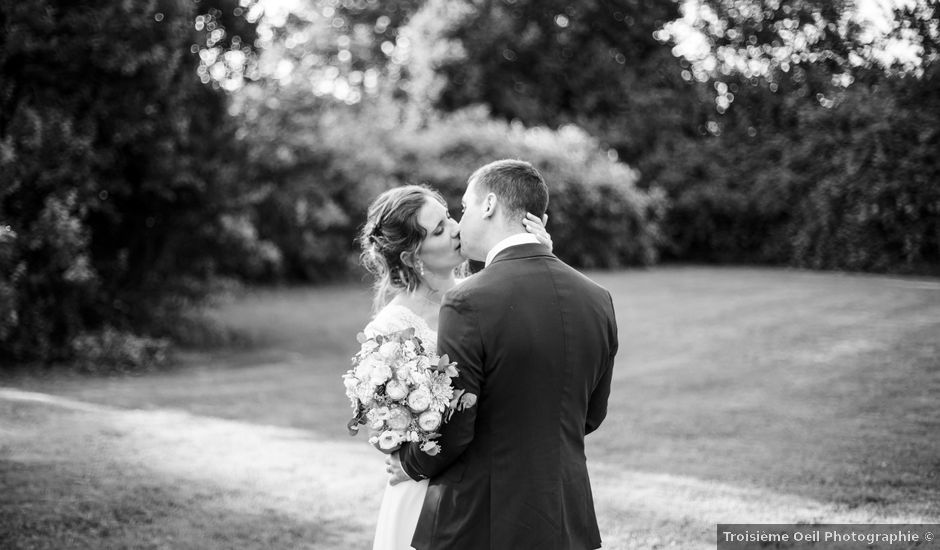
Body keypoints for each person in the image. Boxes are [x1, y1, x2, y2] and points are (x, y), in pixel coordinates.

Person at [386, 159, 619, 550]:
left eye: (464, 207)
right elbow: (591, 415)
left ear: (489, 204)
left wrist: (410, 462)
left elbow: (456, 426)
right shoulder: (597, 298)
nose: (461, 222)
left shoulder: (466, 301)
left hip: (482, 520)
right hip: (565, 515)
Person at [358, 183, 551, 550]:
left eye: (449, 217)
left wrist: (541, 258)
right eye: (439, 230)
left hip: (497, 481)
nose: (457, 229)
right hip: (427, 489)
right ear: (413, 256)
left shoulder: (489, 293)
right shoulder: (390, 330)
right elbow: (391, 427)